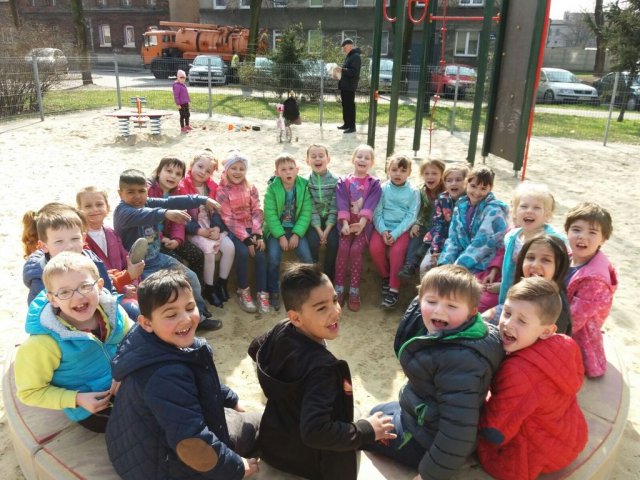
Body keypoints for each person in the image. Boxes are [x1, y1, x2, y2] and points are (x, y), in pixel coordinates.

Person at [106, 269, 261, 480]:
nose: (186, 319)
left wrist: (231, 399)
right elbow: (192, 443)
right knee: (257, 421)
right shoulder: (166, 375)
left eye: (190, 307)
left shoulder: (145, 341)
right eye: (171, 314)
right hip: (160, 468)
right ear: (146, 323)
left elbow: (200, 377)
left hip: (131, 449)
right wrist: (237, 468)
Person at [248, 263, 396, 480]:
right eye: (321, 308)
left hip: (274, 443)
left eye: (334, 300)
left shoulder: (282, 328)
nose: (335, 311)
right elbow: (315, 432)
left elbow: (255, 348)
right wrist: (367, 430)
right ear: (296, 318)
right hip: (308, 461)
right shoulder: (323, 369)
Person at [365, 264, 504, 480]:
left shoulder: (461, 361)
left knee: (367, 434)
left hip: (427, 441)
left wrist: (428, 475)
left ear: (472, 312)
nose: (439, 310)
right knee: (376, 411)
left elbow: (458, 430)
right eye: (431, 302)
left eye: (452, 305)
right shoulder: (462, 332)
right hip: (425, 412)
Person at [477, 277, 588, 480]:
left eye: (522, 321)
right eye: (507, 313)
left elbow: (495, 431)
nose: (508, 323)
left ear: (546, 331)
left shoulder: (519, 372)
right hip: (570, 436)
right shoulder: (564, 344)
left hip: (535, 454)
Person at [15, 252, 132, 432]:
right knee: (140, 421)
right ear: (52, 299)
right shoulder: (44, 344)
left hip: (125, 379)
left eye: (85, 286)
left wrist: (124, 371)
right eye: (64, 292)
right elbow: (29, 392)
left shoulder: (113, 312)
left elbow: (134, 342)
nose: (78, 297)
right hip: (93, 404)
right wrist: (76, 399)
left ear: (100, 286)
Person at [113, 168, 223, 331]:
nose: (137, 196)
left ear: (147, 190)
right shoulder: (123, 212)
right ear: (120, 193)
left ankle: (199, 317)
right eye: (131, 192)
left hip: (157, 258)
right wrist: (166, 213)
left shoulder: (147, 202)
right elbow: (147, 214)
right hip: (138, 267)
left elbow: (172, 201)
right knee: (159, 296)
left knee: (191, 278)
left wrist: (202, 199)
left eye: (141, 191)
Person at [21, 203, 131, 316]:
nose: (69, 246)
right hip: (64, 323)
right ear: (44, 246)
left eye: (74, 239)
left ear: (83, 239)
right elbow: (38, 314)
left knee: (131, 310)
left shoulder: (91, 259)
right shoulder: (40, 276)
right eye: (59, 241)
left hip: (98, 315)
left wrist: (113, 306)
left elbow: (108, 288)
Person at [564, 202, 617, 378]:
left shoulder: (594, 280)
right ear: (567, 231)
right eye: (576, 229)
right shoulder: (568, 257)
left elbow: (573, 321)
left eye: (592, 232)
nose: (582, 237)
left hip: (578, 338)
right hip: (558, 319)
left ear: (603, 239)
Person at [483, 235, 573, 335]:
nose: (535, 265)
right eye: (530, 258)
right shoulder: (522, 289)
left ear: (558, 268)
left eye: (546, 260)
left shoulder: (556, 307)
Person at [76, 186, 143, 317]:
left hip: (128, 285)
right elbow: (96, 276)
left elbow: (127, 260)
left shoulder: (111, 232)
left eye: (99, 204)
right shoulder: (81, 241)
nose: (94, 209)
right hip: (105, 294)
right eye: (88, 206)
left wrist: (134, 282)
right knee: (135, 311)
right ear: (79, 210)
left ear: (107, 207)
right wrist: (123, 287)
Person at [180, 151, 235, 309]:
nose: (203, 172)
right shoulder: (183, 187)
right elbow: (183, 216)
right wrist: (198, 231)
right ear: (192, 165)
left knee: (229, 248)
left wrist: (217, 227)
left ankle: (221, 283)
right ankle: (209, 288)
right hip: (194, 229)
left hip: (210, 225)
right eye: (200, 166)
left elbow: (217, 211)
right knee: (209, 252)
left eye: (208, 171)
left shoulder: (212, 187)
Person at [215, 150, 268, 314]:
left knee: (260, 253)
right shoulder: (222, 191)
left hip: (252, 228)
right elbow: (228, 218)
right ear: (227, 169)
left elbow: (257, 210)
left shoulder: (251, 187)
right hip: (234, 230)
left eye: (241, 169)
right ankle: (243, 290)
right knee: (243, 253)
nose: (237, 172)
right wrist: (245, 238)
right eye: (234, 168)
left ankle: (262, 292)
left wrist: (257, 234)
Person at [264, 154, 313, 313]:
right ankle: (274, 290)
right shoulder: (272, 189)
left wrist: (297, 234)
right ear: (277, 173)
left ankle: (308, 289)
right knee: (273, 258)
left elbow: (306, 213)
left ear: (297, 170)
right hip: (276, 230)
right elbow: (270, 214)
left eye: (291, 168)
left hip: (296, 228)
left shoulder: (303, 187)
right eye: (283, 169)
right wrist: (280, 236)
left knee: (307, 258)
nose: (288, 172)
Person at [334, 144, 381, 311]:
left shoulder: (374, 183)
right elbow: (341, 202)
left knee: (355, 250)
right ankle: (338, 288)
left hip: (363, 227)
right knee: (343, 249)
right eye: (359, 156)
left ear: (372, 163)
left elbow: (371, 203)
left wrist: (361, 223)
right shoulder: (343, 181)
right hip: (346, 225)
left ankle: (354, 290)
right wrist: (345, 223)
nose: (362, 160)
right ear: (353, 159)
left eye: (367, 158)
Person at [438, 165, 509, 276]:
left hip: (484, 262)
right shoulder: (460, 206)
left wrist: (457, 267)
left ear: (490, 188)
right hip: (462, 259)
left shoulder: (494, 211)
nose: (477, 192)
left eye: (483, 188)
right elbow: (453, 239)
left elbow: (482, 244)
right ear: (466, 183)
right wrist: (445, 263)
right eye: (473, 186)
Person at [370, 153, 420, 309]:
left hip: (401, 229)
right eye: (394, 170)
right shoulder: (382, 188)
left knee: (396, 253)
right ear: (388, 170)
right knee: (375, 248)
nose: (398, 174)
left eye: (403, 171)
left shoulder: (413, 191)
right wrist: (383, 230)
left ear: (409, 172)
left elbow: (411, 215)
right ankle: (385, 276)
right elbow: (377, 211)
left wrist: (396, 233)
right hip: (383, 226)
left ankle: (393, 288)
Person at [147, 156, 205, 285]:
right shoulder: (149, 191)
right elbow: (147, 221)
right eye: (169, 171)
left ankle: (199, 289)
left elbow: (179, 220)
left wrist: (177, 239)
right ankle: (182, 293)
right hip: (152, 238)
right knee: (177, 262)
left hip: (170, 236)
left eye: (178, 174)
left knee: (198, 255)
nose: (173, 176)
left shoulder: (178, 192)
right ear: (159, 172)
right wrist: (162, 238)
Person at [419, 163, 469, 275]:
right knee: (425, 266)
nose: (453, 183)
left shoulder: (470, 201)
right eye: (449, 180)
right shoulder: (443, 199)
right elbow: (439, 225)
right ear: (445, 183)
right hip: (442, 242)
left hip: (461, 245)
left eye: (458, 180)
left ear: (466, 182)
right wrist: (436, 249)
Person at [399, 159, 445, 278]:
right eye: (426, 173)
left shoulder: (445, 191)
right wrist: (417, 223)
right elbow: (419, 209)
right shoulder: (420, 191)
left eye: (434, 173)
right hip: (425, 223)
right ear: (422, 175)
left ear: (442, 174)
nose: (430, 177)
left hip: (440, 226)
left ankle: (422, 257)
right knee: (415, 234)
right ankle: (410, 264)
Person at [305, 143, 339, 281]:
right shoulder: (306, 182)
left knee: (334, 242)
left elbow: (335, 206)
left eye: (321, 156)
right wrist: (319, 230)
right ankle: (315, 276)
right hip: (314, 221)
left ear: (328, 159)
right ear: (307, 161)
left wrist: (328, 228)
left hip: (331, 220)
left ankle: (329, 278)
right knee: (313, 242)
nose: (317, 159)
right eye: (313, 156)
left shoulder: (336, 180)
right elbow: (310, 206)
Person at [337, 38, 361, 134]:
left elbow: (354, 72)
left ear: (350, 46)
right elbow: (346, 71)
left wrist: (342, 70)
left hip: (350, 86)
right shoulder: (349, 56)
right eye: (343, 47)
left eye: (345, 46)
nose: (343, 48)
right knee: (345, 105)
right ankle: (346, 124)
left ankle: (352, 126)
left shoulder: (356, 57)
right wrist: (338, 74)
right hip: (345, 85)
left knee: (350, 106)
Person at [173, 69, 191, 133]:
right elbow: (176, 96)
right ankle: (182, 127)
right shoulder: (177, 86)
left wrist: (188, 101)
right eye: (181, 78)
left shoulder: (183, 85)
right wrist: (178, 104)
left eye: (184, 78)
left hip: (186, 102)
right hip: (181, 104)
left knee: (187, 114)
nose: (183, 79)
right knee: (182, 115)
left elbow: (186, 94)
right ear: (178, 78)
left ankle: (187, 125)